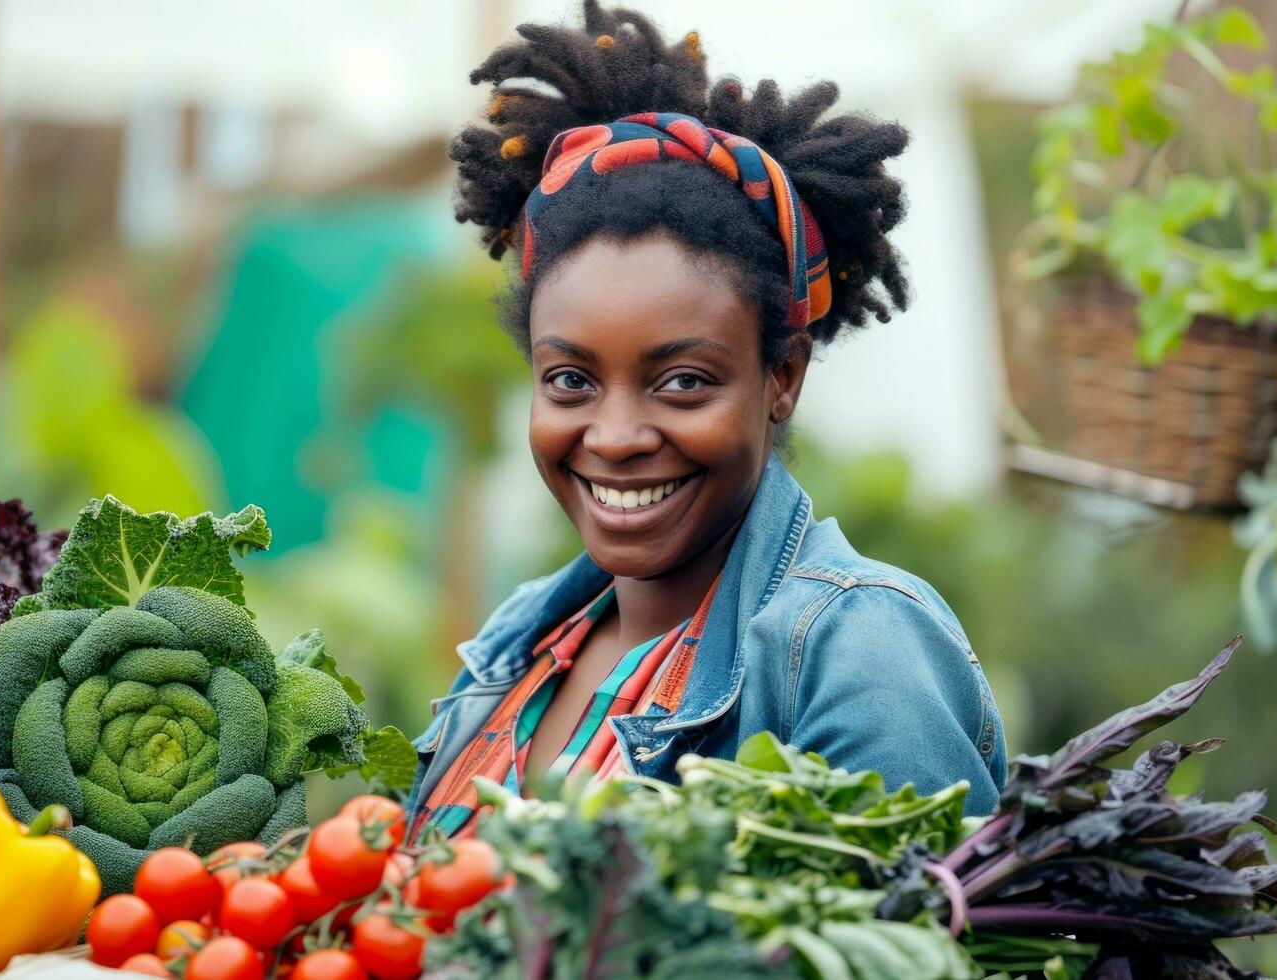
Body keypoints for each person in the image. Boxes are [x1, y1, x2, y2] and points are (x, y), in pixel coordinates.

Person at [408, 1, 1005, 837]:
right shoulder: (523, 643)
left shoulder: (853, 649)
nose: (613, 437)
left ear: (781, 379)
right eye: (570, 379)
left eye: (682, 382)